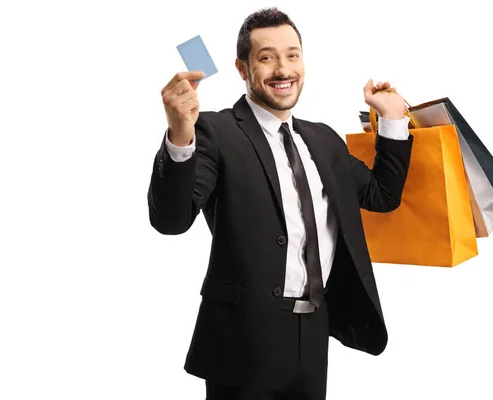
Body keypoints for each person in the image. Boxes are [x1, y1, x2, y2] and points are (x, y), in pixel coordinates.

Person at [147, 7, 413, 400]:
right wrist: (180, 136)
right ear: (242, 68)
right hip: (243, 337)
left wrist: (392, 120)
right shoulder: (216, 131)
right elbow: (171, 219)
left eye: (293, 55)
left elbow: (382, 196)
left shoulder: (323, 140)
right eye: (266, 57)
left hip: (315, 330)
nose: (283, 69)